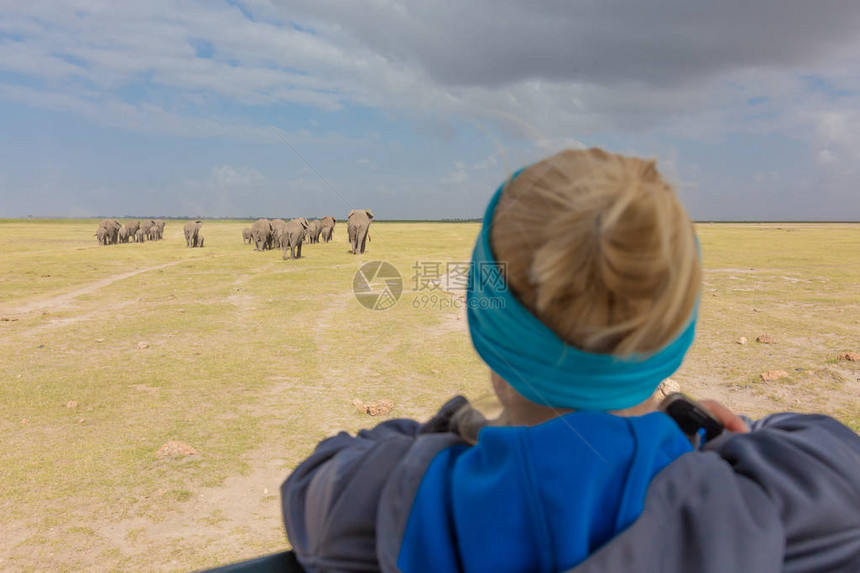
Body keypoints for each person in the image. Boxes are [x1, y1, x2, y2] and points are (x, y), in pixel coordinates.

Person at [281, 148, 860, 572]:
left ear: (488, 325)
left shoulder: (393, 496)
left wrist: (458, 428)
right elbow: (824, 447)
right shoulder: (781, 496)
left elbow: (315, 477)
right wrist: (700, 423)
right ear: (675, 328)